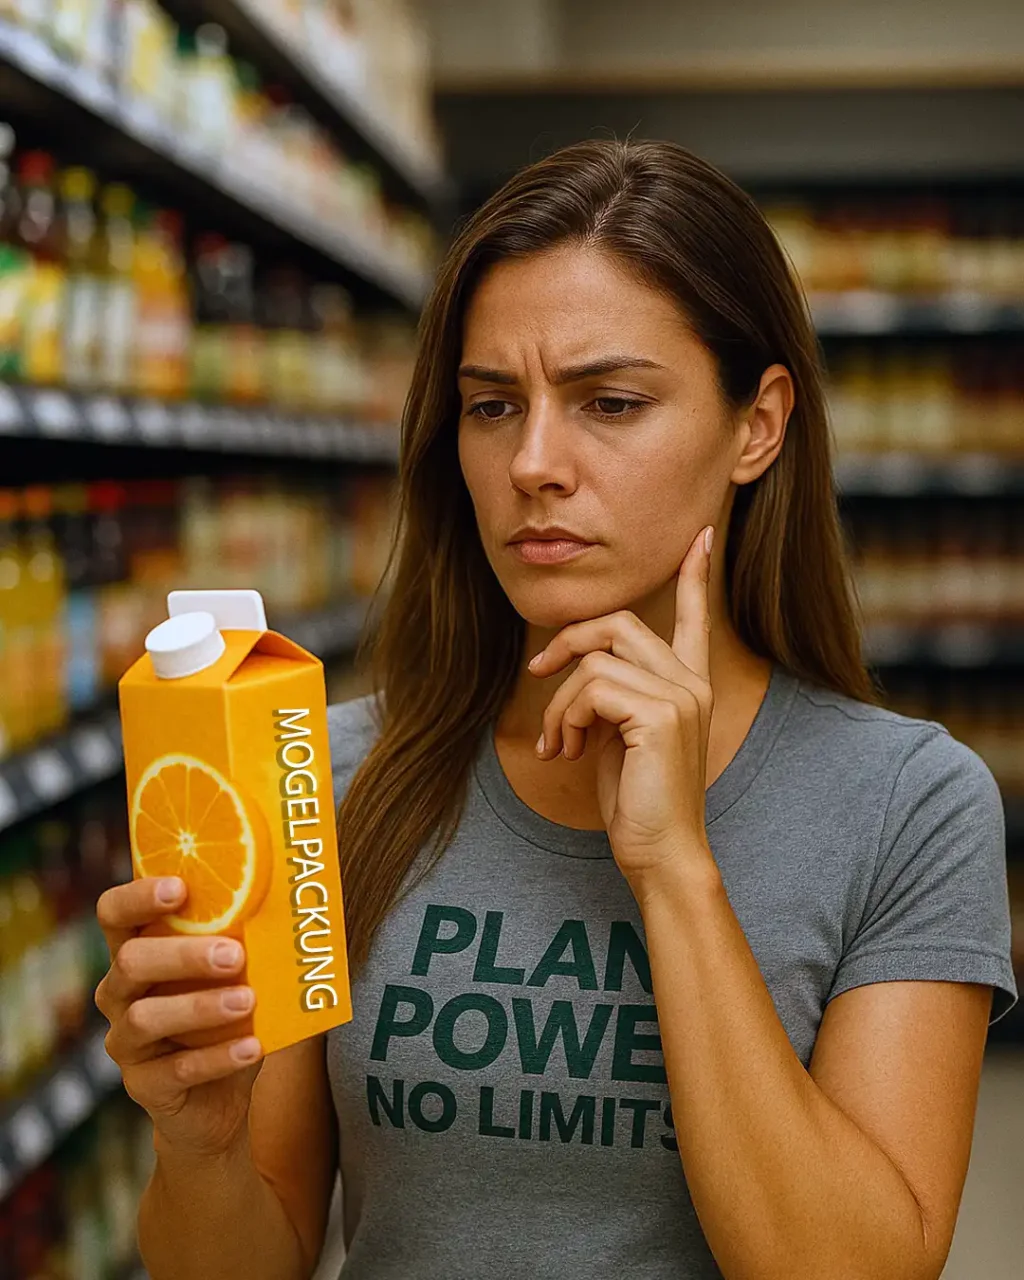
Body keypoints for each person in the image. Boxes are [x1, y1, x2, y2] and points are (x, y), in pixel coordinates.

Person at [94, 139, 1018, 1280]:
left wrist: (675, 864)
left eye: (610, 401)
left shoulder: (906, 805)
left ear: (757, 426)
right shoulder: (320, 771)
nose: (534, 460)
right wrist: (200, 1146)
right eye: (492, 405)